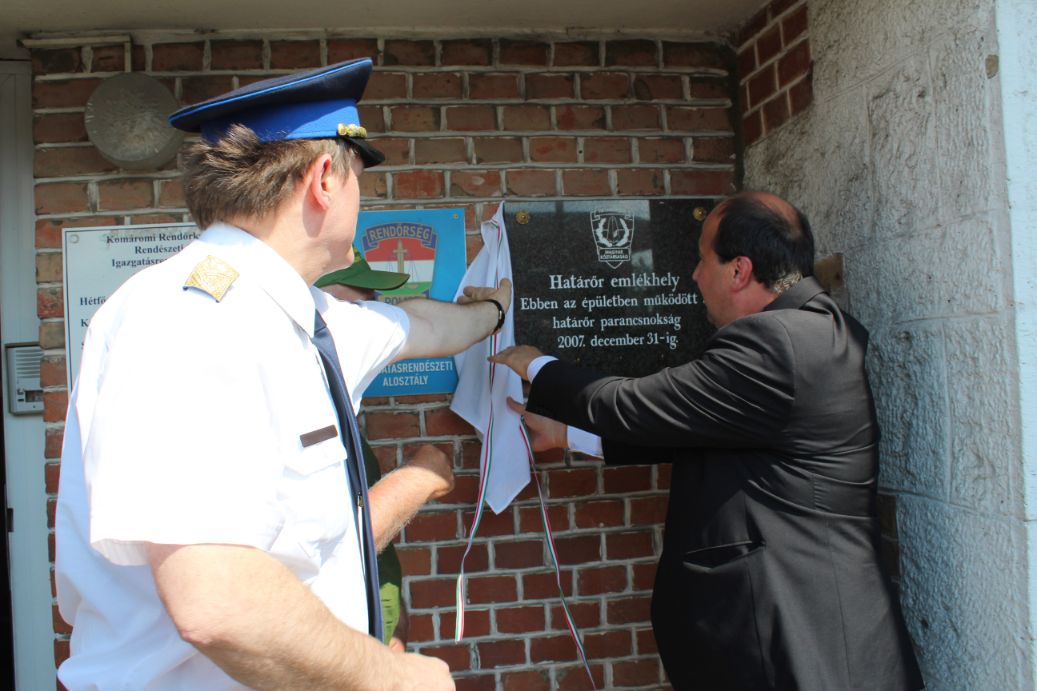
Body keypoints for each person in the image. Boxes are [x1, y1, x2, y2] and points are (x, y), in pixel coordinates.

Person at [55, 57, 510, 690]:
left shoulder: (302, 316)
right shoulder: (192, 319)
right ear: (324, 179)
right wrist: (393, 677)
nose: (362, 200)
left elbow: (421, 326)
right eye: (359, 181)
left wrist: (492, 311)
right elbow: (219, 602)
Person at [492, 192, 924, 690]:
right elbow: (702, 430)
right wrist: (567, 434)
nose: (694, 275)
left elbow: (631, 403)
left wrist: (535, 364)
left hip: (804, 646)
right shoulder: (809, 332)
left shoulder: (779, 343)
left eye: (701, 259)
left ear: (739, 270)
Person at [315, 252, 430, 652]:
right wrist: (421, 477)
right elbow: (338, 545)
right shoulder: (301, 410)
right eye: (358, 301)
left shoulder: (336, 396)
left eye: (375, 300)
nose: (373, 311)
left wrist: (394, 617)